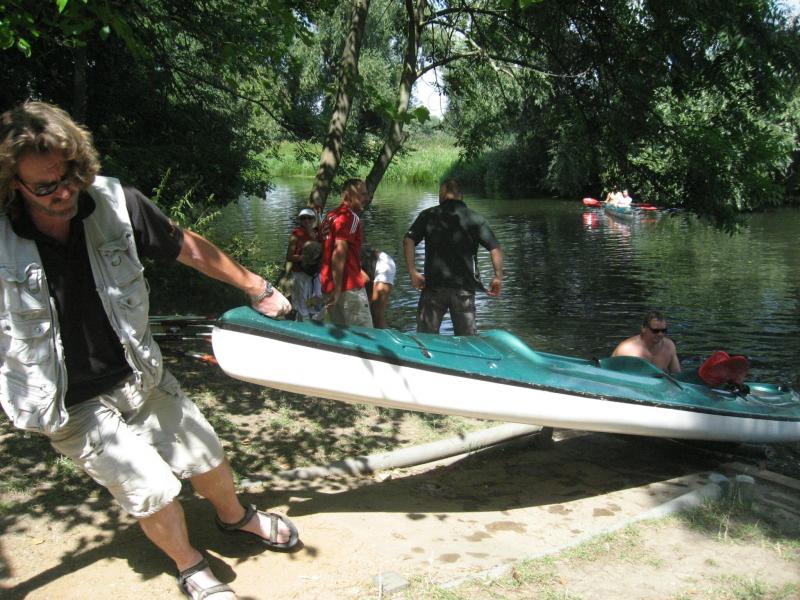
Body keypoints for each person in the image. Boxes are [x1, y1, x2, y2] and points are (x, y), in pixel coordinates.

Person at [0, 102, 299, 600]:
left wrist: (256, 286)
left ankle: (236, 517)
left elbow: (188, 247)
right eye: (46, 187)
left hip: (139, 374)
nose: (65, 192)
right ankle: (190, 564)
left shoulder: (116, 202)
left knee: (206, 453)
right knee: (151, 486)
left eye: (69, 175)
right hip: (68, 401)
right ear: (14, 184)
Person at [403, 178, 503, 336]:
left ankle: (424, 353)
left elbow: (408, 240)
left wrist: (412, 271)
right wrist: (497, 276)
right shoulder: (475, 219)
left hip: (433, 289)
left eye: (439, 192)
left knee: (425, 340)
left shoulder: (429, 215)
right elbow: (495, 247)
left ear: (443, 192)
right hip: (464, 291)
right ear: (461, 195)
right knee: (467, 341)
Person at [319, 178, 373, 327]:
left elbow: (325, 250)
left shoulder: (329, 217)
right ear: (348, 196)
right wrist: (338, 289)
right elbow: (339, 252)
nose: (367, 198)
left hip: (328, 286)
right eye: (363, 194)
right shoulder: (350, 218)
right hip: (348, 289)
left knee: (340, 336)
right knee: (365, 335)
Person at [285, 207, 323, 320]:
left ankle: (314, 321)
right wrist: (305, 257)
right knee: (302, 302)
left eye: (309, 218)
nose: (306, 220)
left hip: (314, 273)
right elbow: (289, 257)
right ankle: (303, 322)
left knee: (316, 301)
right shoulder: (296, 234)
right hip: (300, 274)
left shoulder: (318, 233)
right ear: (300, 220)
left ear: (313, 219)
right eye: (303, 218)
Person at [612, 310, 681, 373]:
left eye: (663, 330)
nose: (660, 334)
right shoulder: (627, 348)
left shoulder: (669, 346)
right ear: (643, 328)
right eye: (655, 331)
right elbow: (610, 374)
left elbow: (676, 374)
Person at [360, 244, 396, 328]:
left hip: (382, 265)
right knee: (368, 312)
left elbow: (365, 279)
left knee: (376, 313)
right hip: (368, 268)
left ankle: (384, 336)